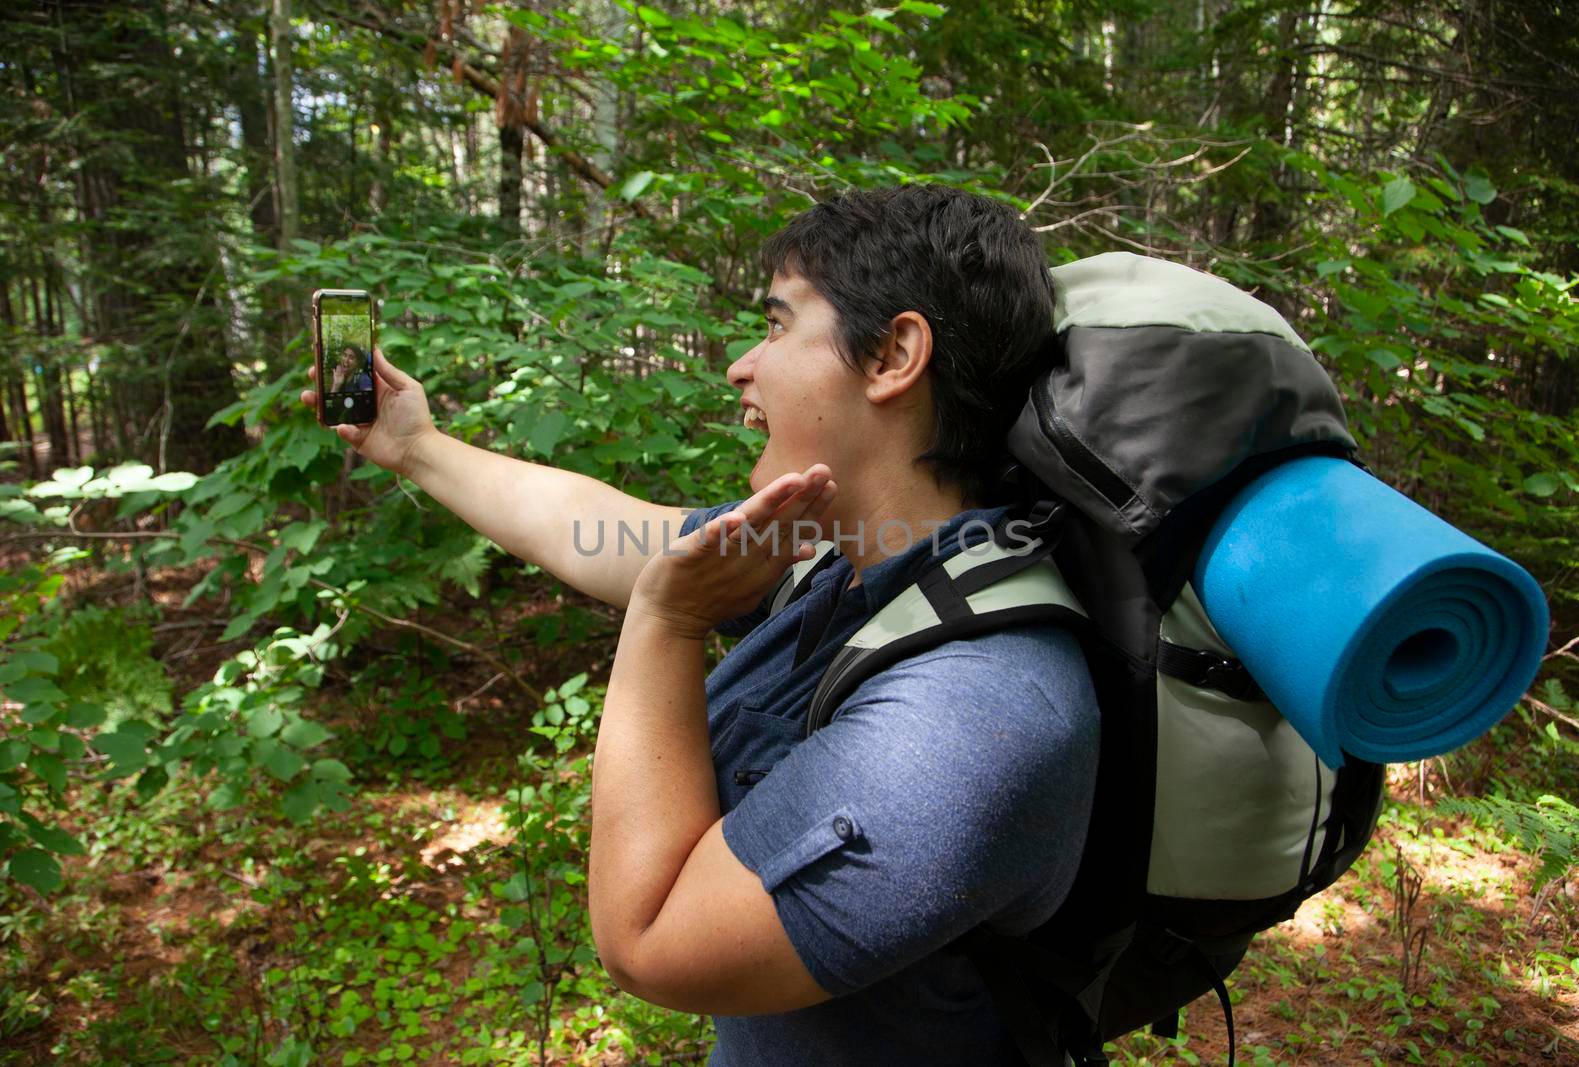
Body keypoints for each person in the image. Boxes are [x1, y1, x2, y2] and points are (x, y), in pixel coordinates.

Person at [302, 184, 1099, 1065]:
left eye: (776, 324)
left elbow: (647, 943)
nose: (739, 367)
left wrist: (666, 623)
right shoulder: (838, 553)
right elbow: (586, 523)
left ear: (893, 355)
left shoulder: (975, 713)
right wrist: (413, 444)